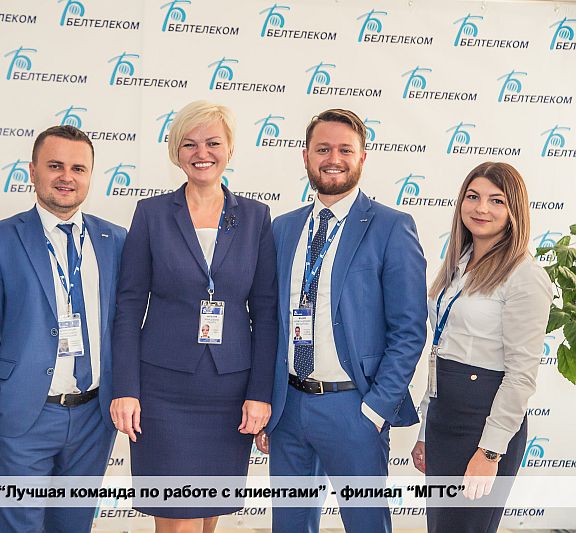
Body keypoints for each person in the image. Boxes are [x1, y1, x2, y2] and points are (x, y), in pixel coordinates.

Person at [257, 108, 427, 533]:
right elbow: (269, 323)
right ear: (305, 156)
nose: (333, 159)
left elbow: (409, 331)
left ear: (362, 158)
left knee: (366, 525)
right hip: (289, 407)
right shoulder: (283, 229)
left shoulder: (391, 227)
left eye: (345, 150)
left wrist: (375, 410)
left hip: (354, 407)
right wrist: (267, 401)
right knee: (289, 525)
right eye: (323, 149)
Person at [111, 100, 277, 533]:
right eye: (189, 144)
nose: (202, 153)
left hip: (229, 392)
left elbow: (266, 313)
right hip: (163, 391)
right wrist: (125, 388)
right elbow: (128, 307)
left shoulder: (255, 217)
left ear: (230, 149)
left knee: (207, 515)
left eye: (213, 143)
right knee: (177, 517)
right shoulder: (151, 214)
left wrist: (260, 393)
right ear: (176, 152)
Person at [0, 125, 126, 533]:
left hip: (93, 418)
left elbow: (127, 327)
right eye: (55, 166)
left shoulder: (115, 239)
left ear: (90, 175)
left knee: (73, 526)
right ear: (32, 171)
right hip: (22, 417)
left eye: (78, 168)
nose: (67, 177)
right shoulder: (0, 239)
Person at [410, 162, 553, 533]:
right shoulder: (459, 264)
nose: (481, 208)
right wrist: (426, 431)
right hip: (444, 417)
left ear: (514, 210)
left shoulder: (524, 275)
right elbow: (442, 350)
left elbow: (521, 376)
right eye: (473, 197)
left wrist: (490, 453)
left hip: (483, 424)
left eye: (496, 200)